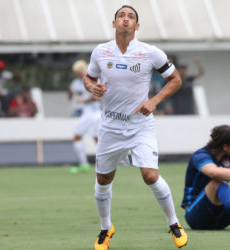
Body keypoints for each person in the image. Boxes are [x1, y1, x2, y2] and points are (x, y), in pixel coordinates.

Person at [83, 5, 188, 250]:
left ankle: (173, 223)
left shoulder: (150, 53)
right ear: (114, 23)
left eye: (131, 16)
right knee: (103, 179)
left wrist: (154, 101)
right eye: (122, 16)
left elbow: (176, 79)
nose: (126, 19)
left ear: (137, 26)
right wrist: (92, 88)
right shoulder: (101, 52)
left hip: (140, 126)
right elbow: (89, 78)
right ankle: (105, 228)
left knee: (150, 175)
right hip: (110, 126)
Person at [69, 60, 102, 174]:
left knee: (76, 138)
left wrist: (83, 100)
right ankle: (107, 164)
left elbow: (97, 97)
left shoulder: (92, 80)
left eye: (77, 72)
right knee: (97, 139)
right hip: (94, 113)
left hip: (91, 113)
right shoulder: (77, 82)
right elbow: (71, 95)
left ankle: (84, 165)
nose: (77, 74)